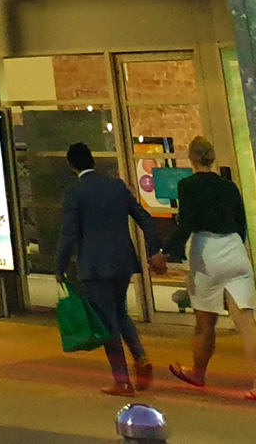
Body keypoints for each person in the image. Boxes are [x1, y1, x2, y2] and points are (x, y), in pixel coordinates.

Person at [164, 136, 256, 402]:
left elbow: (187, 223)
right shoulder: (229, 186)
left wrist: (167, 253)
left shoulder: (187, 185)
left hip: (206, 252)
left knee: (205, 322)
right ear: (212, 158)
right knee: (246, 321)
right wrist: (235, 246)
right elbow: (241, 224)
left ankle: (198, 373)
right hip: (234, 249)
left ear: (191, 158)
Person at [54, 142, 159, 395]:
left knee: (107, 321)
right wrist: (154, 249)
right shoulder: (116, 186)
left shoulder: (75, 192)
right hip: (123, 261)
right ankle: (141, 357)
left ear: (71, 165)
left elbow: (69, 234)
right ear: (93, 160)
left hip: (94, 266)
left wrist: (60, 266)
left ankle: (122, 381)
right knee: (120, 312)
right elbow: (144, 218)